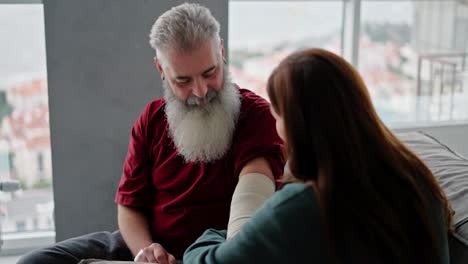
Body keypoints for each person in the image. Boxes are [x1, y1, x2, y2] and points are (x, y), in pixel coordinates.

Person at [18, 3, 284, 264]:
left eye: (210, 72)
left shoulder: (255, 115)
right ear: (161, 70)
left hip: (216, 251)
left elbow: (253, 193)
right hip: (148, 245)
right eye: (183, 80)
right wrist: (145, 252)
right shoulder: (151, 119)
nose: (201, 91)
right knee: (35, 261)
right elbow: (130, 206)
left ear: (221, 52)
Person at [183, 48, 453, 264]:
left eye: (278, 116)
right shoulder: (415, 178)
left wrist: (218, 236)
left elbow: (208, 261)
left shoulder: (308, 204)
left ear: (296, 126)